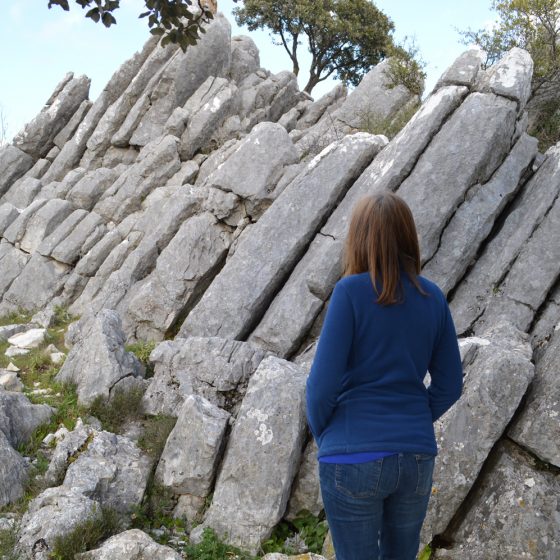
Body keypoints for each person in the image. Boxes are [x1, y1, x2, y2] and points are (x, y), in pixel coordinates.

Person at [305, 192, 463, 560]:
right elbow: (450, 385)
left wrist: (324, 433)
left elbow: (320, 387)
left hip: (352, 453)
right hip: (416, 455)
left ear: (358, 238)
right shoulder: (433, 297)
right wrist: (415, 419)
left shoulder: (350, 292)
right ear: (409, 236)